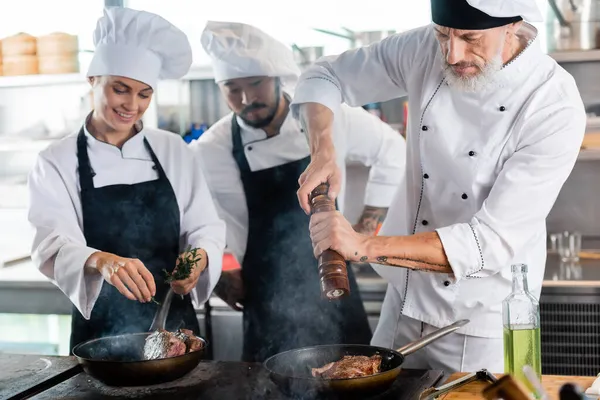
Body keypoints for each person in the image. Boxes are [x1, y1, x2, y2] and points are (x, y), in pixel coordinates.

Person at [290, 0, 586, 374]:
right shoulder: (424, 49)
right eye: (442, 34)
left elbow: (489, 240)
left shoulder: (552, 103)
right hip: (402, 304)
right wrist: (323, 150)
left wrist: (364, 246)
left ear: (512, 25)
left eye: (469, 38)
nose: (452, 53)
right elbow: (324, 76)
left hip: (478, 324)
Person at [193, 21, 407, 362]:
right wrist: (216, 275)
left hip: (334, 279)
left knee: (354, 378)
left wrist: (365, 227)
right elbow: (200, 219)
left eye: (256, 84)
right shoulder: (211, 149)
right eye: (232, 88)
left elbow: (394, 152)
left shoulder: (331, 120)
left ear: (277, 77)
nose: (247, 99)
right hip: (264, 293)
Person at [27, 7, 226, 350]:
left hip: (174, 323)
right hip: (101, 330)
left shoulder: (173, 149)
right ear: (93, 79)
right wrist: (102, 261)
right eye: (120, 89)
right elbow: (52, 244)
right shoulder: (55, 160)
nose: (131, 105)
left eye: (144, 94)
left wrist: (201, 256)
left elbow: (205, 225)